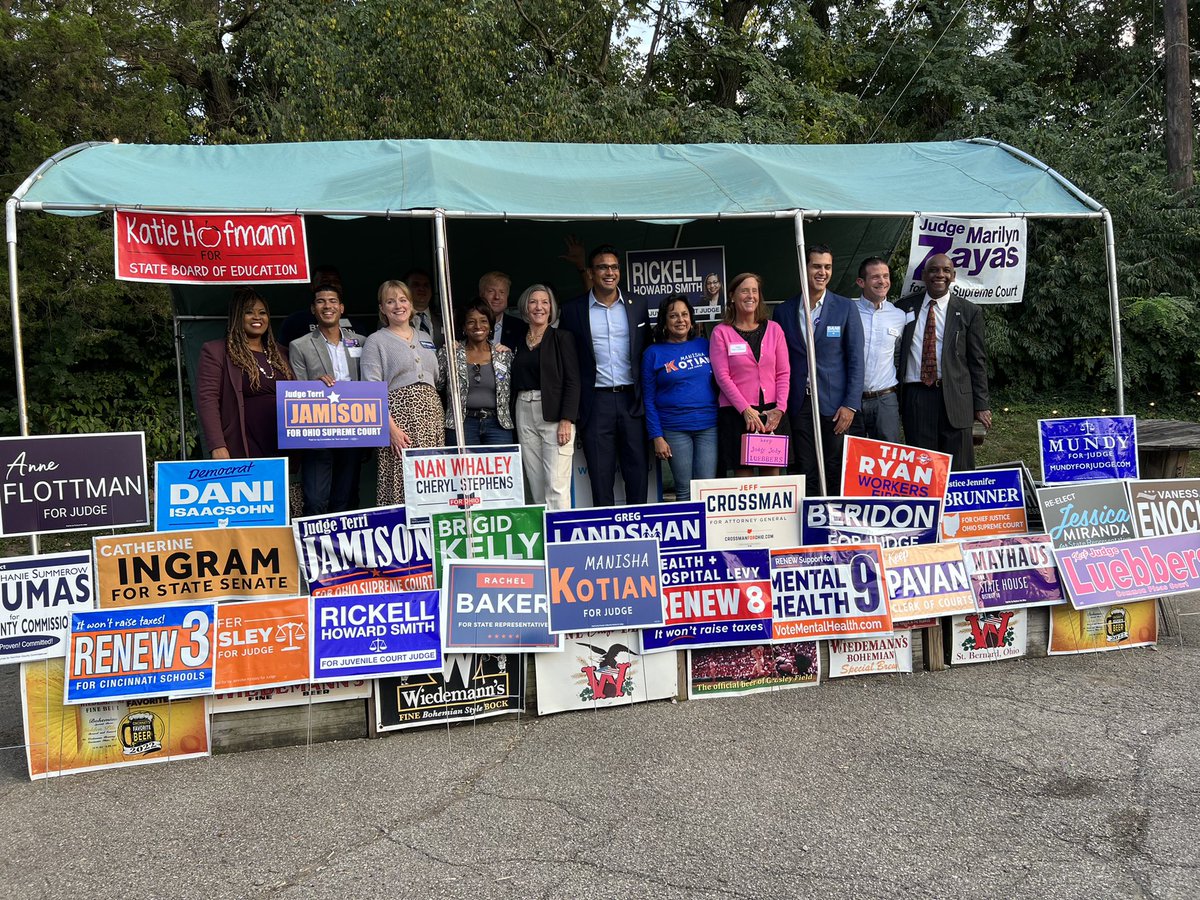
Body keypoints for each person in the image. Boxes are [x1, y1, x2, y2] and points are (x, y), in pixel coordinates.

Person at [559, 244, 651, 506]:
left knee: (637, 473)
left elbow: (646, 350)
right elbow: (568, 360)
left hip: (632, 400)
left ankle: (639, 529)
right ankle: (605, 538)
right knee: (600, 476)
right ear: (590, 272)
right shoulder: (573, 310)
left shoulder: (638, 304)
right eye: (602, 267)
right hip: (595, 402)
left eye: (614, 267)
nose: (609, 272)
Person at [773, 244, 864, 495]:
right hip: (799, 403)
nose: (822, 272)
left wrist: (850, 404)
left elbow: (856, 361)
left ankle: (834, 524)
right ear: (804, 268)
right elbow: (779, 362)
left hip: (835, 405)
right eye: (816, 266)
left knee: (835, 467)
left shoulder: (846, 307)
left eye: (827, 267)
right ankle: (811, 528)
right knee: (805, 468)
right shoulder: (784, 311)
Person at [896, 253, 992, 470]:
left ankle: (957, 504)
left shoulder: (969, 311)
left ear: (953, 276)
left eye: (945, 270)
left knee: (959, 465)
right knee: (922, 466)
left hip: (956, 398)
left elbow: (977, 361)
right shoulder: (903, 308)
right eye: (934, 270)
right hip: (916, 396)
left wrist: (982, 404)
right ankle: (929, 505)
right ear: (923, 275)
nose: (940, 275)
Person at [361, 279, 445, 504]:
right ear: (382, 308)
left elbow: (437, 378)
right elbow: (371, 391)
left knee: (431, 477)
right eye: (390, 301)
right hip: (398, 418)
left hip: (430, 416)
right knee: (400, 477)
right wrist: (390, 430)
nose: (398, 306)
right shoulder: (375, 341)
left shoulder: (426, 338)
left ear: (410, 304)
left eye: (402, 300)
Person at [289, 281, 366, 514]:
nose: (327, 306)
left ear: (341, 308)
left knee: (346, 499)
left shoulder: (361, 342)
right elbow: (298, 390)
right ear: (313, 309)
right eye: (321, 301)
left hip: (354, 430)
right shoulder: (299, 345)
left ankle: (343, 549)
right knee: (314, 500)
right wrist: (315, 386)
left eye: (333, 301)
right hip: (318, 432)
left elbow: (370, 382)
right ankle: (316, 549)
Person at [710, 273, 791, 477]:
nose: (750, 296)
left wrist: (780, 409)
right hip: (738, 415)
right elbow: (722, 376)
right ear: (732, 296)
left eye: (754, 291)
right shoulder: (721, 332)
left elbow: (783, 373)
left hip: (771, 414)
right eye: (744, 290)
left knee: (773, 483)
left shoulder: (775, 330)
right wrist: (745, 409)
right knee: (744, 484)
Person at [198, 288, 294, 460]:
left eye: (262, 312)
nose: (257, 317)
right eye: (249, 312)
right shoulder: (217, 351)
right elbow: (207, 400)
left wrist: (316, 386)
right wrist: (217, 445)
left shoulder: (282, 353)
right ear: (237, 317)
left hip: (282, 445)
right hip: (243, 445)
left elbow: (297, 394)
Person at [641, 295, 718, 500]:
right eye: (673, 315)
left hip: (708, 426)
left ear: (691, 319)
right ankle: (691, 533)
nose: (680, 320)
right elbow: (648, 399)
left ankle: (707, 533)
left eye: (684, 314)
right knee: (683, 490)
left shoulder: (705, 345)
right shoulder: (653, 353)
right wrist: (657, 436)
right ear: (665, 321)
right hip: (675, 428)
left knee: (706, 489)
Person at [510, 284, 580, 510]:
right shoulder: (518, 342)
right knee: (536, 484)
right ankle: (543, 540)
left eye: (545, 302)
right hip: (523, 409)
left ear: (551, 309)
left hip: (554, 414)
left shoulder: (562, 338)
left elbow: (573, 380)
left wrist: (566, 419)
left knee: (556, 485)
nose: (539, 307)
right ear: (525, 308)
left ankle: (561, 540)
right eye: (533, 302)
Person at [440, 298, 514, 446]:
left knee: (500, 470)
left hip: (498, 426)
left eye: (483, 321)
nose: (478, 326)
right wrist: (446, 353)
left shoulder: (504, 355)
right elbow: (437, 386)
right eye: (471, 322)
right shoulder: (450, 353)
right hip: (462, 425)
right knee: (463, 470)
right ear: (464, 327)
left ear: (491, 325)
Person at [854, 257, 906, 443]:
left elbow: (899, 355)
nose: (882, 281)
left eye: (885, 276)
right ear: (861, 282)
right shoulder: (848, 312)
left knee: (888, 457)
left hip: (885, 399)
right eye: (875, 277)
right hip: (852, 400)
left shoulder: (899, 316)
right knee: (851, 457)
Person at [479, 271, 528, 349]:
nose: (497, 297)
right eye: (491, 291)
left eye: (502, 292)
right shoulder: (465, 326)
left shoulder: (521, 328)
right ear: (481, 295)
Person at [404, 267, 443, 347]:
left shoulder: (444, 320)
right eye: (416, 285)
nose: (422, 288)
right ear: (405, 290)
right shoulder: (392, 320)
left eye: (426, 285)